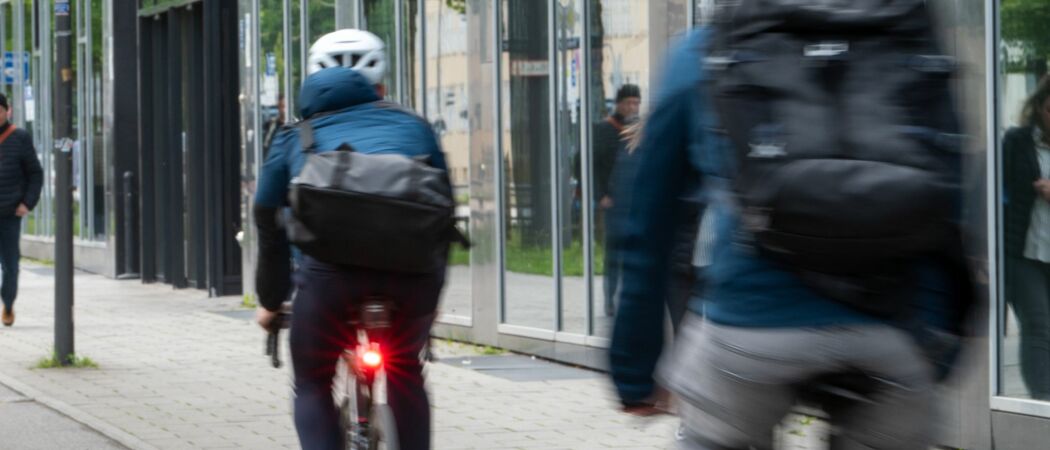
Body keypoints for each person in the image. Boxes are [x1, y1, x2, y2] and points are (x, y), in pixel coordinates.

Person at [609, 17, 975, 450]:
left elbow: (649, 225)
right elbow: (949, 209)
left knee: (714, 426)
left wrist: (634, 369)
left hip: (751, 325)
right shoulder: (907, 37)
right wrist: (936, 352)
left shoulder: (705, 48)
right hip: (893, 331)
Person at [253, 29, 448, 450]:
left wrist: (271, 301)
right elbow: (443, 214)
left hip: (328, 281)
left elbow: (266, 220)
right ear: (380, 87)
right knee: (405, 370)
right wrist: (432, 301)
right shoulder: (415, 127)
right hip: (411, 279)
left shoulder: (293, 135)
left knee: (313, 380)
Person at [1004, 74, 1050, 400]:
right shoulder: (1016, 141)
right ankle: (1042, 408)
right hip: (1022, 253)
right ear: (1037, 107)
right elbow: (996, 190)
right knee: (1037, 327)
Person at [588, 84, 640, 316]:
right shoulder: (603, 130)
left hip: (634, 203)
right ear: (618, 104)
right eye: (629, 102)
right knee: (613, 256)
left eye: (636, 103)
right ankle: (609, 300)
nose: (632, 107)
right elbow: (589, 164)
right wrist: (600, 195)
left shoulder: (639, 130)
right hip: (612, 203)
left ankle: (629, 300)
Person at [0, 93, 42, 327]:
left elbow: (35, 173)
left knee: (10, 264)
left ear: (7, 112)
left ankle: (7, 304)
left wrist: (27, 202)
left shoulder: (20, 138)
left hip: (9, 214)